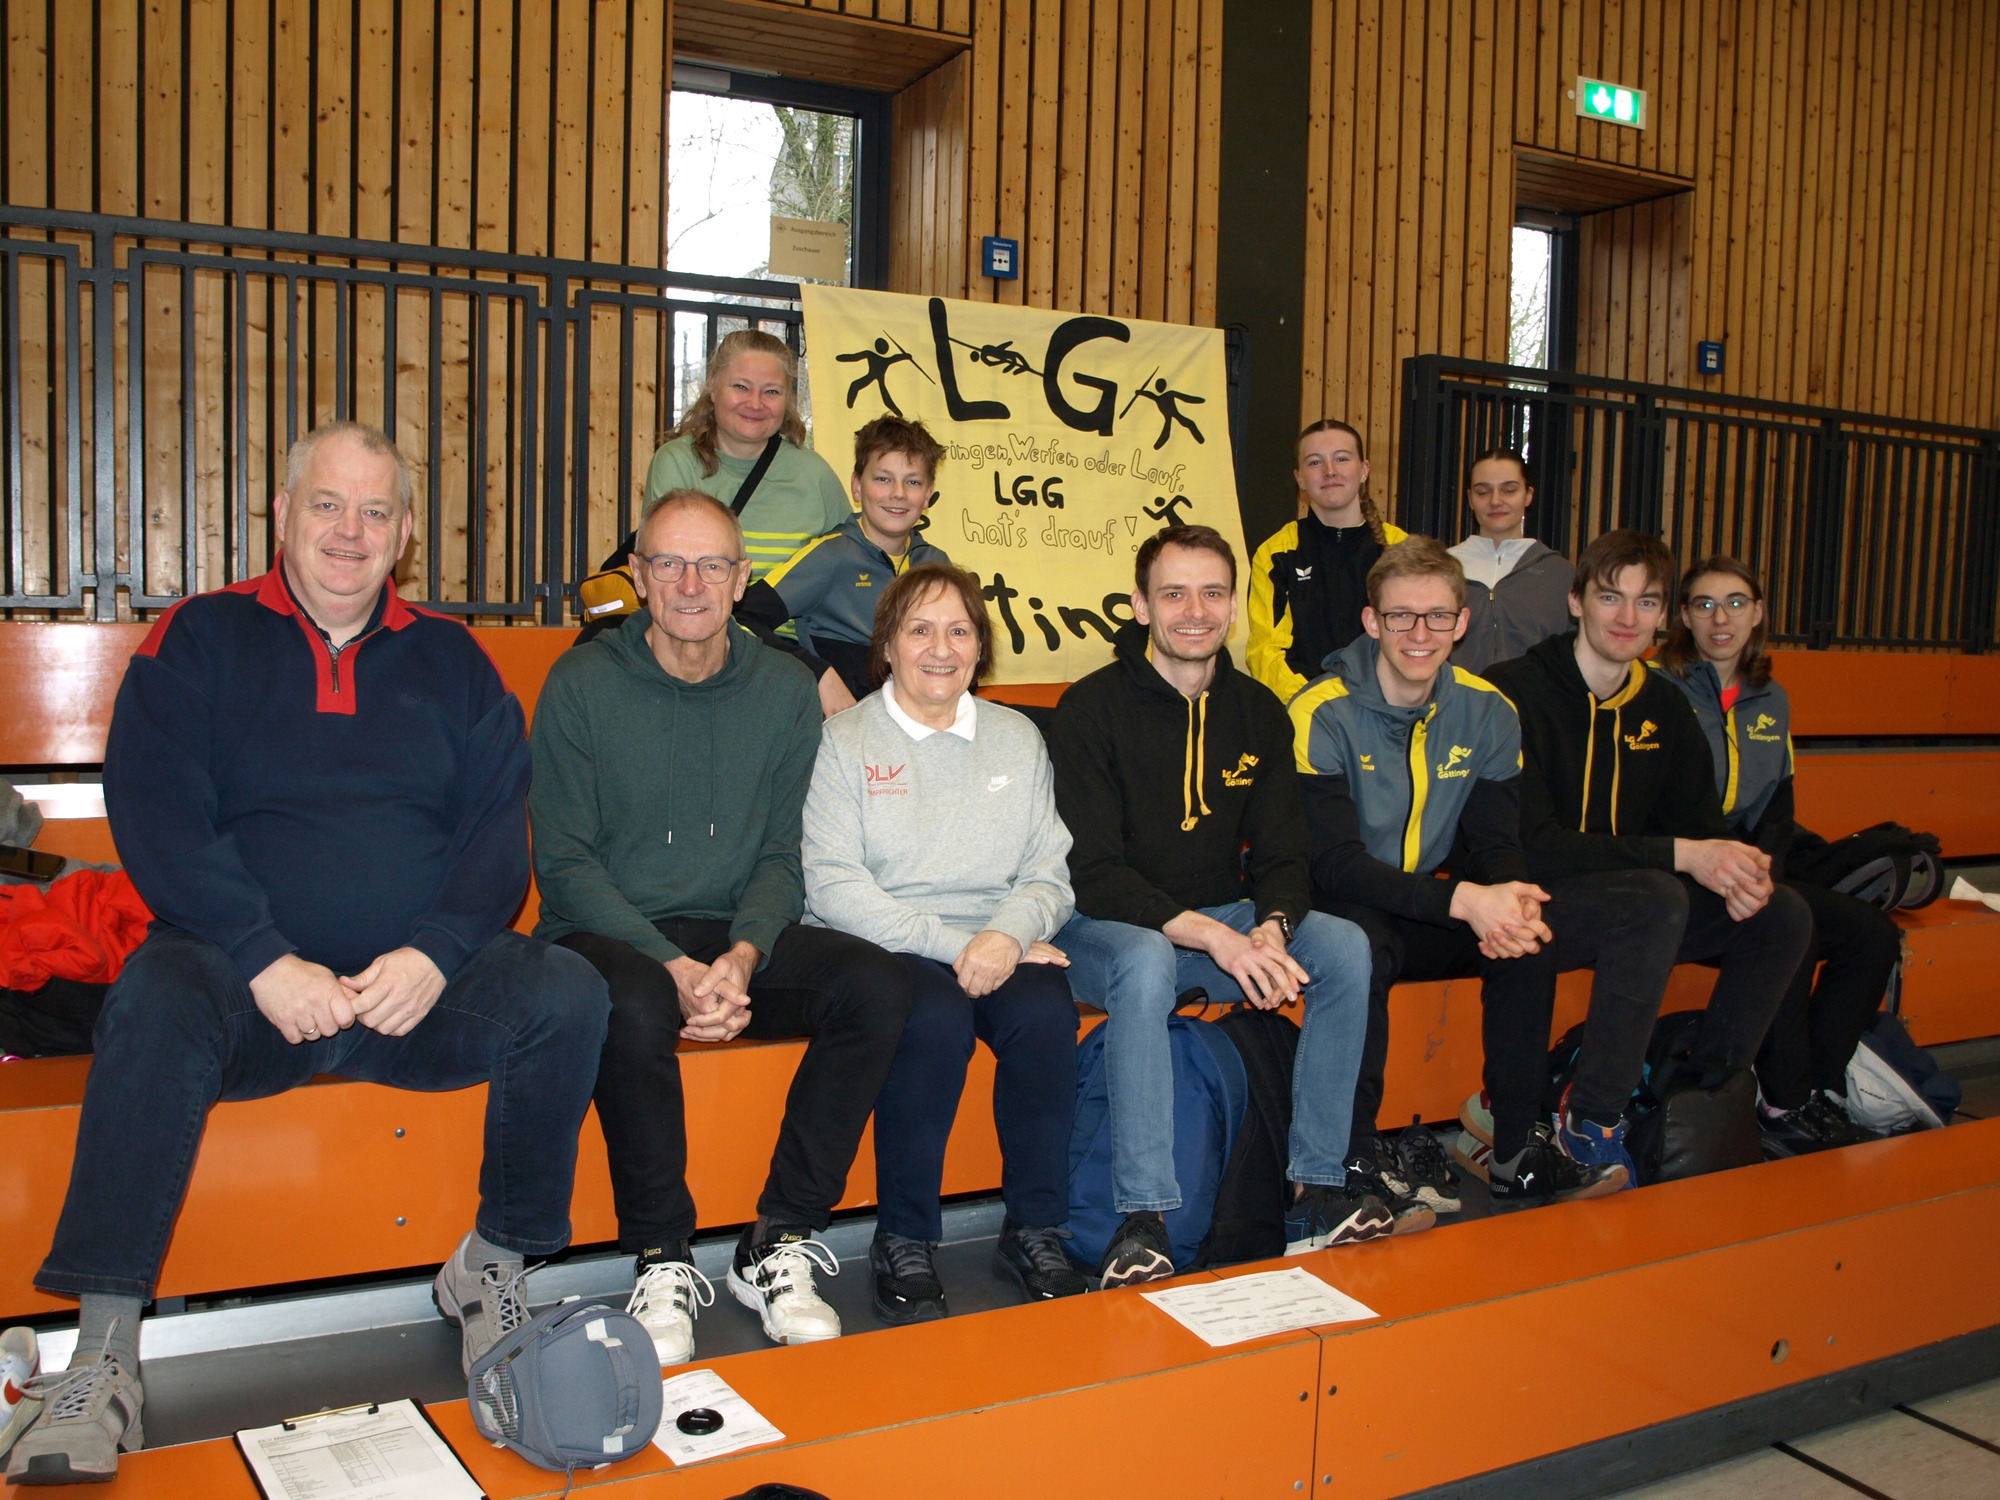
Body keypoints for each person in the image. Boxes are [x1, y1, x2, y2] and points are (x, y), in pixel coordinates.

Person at [11, 423, 610, 1485]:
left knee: (565, 991)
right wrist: (261, 957)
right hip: (245, 993)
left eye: (376, 511)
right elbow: (156, 813)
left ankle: (492, 1266)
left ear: (406, 533)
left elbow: (493, 839)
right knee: (152, 997)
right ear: (282, 514)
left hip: (407, 999)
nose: (350, 531)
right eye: (327, 505)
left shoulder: (453, 661)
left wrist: (434, 954)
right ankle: (103, 1354)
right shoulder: (201, 638)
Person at [529, 489, 912, 1363]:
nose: (691, 584)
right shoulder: (581, 683)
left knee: (878, 986)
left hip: (731, 932)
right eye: (669, 563)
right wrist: (672, 964)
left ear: (742, 580)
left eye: (712, 565)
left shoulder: (782, 688)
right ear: (638, 576)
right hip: (611, 934)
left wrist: (742, 954)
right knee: (631, 1004)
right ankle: (661, 1253)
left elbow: (783, 853)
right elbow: (566, 864)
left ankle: (779, 1237)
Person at [1048, 524, 1381, 1285]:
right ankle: (1143, 1217)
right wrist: (1217, 939)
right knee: (1144, 957)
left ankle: (1315, 1189)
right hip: (1098, 930)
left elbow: (1284, 853)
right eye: (1174, 594)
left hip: (1215, 925)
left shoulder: (1259, 711)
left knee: (1343, 947)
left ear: (1233, 606)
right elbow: (1092, 872)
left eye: (1212, 593)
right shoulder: (1090, 709)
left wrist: (1272, 928)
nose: (1194, 611)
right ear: (1141, 606)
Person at [1292, 537, 1626, 1209]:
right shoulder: (1318, 711)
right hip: (1331, 903)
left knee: (1526, 937)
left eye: (1438, 616)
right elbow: (1335, 865)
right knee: (1363, 943)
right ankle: (1355, 1159)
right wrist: (1465, 902)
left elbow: (1496, 843)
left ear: (1462, 622)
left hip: (1420, 903)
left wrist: (1508, 897)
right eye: (1401, 616)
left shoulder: (1487, 709)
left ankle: (1515, 1148)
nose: (1420, 634)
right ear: (1371, 621)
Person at [802, 563, 1086, 1322]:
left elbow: (1049, 873)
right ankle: (905, 1236)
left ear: (980, 648)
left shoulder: (1017, 737)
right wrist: (961, 944)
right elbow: (833, 887)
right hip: (889, 941)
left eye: (959, 631)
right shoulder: (844, 740)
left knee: (1046, 1016)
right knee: (932, 1020)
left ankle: (1035, 1227)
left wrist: (1008, 935)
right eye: (920, 629)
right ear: (887, 646)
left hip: (1000, 936)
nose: (940, 648)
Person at [1483, 530, 1813, 1181]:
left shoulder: (1664, 705)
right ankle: (1592, 1118)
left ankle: (1694, 1098)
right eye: (1611, 597)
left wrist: (1736, 874)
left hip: (1637, 911)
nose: (1628, 617)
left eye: (1647, 601)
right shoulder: (1514, 691)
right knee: (1655, 896)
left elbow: (1700, 830)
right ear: (1576, 601)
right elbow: (1534, 846)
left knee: (1782, 915)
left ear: (1664, 616)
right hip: (1530, 905)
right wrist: (1684, 855)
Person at [1655, 557, 1889, 1155]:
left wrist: (1763, 876)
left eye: (1735, 603)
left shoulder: (1770, 698)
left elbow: (1778, 811)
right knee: (1790, 926)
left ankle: (1817, 1090)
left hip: (1748, 869)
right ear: (1684, 616)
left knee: (1871, 935)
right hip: (1680, 868)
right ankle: (1784, 1104)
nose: (1721, 619)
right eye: (1704, 605)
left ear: (1758, 612)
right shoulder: (1658, 688)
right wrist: (1734, 878)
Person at [737, 415, 952, 704]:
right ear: (857, 486)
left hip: (923, 714)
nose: (898, 494)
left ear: (927, 495)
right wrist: (818, 673)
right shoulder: (831, 555)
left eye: (912, 482)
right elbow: (743, 616)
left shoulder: (936, 565)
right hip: (850, 719)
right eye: (883, 479)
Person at [642, 329, 852, 583]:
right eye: (741, 387)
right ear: (712, 385)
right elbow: (665, 570)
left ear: (787, 398)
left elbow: (852, 568)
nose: (755, 403)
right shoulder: (677, 463)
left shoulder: (815, 474)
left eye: (771, 391)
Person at [1247, 419, 1410, 703]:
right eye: (1314, 462)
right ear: (1299, 478)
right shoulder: (1276, 554)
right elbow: (1266, 652)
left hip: (1386, 707)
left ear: (1364, 470)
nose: (1330, 471)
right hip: (1304, 708)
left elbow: (1415, 637)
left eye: (1342, 459)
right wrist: (1315, 702)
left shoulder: (1400, 549)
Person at [1447, 448, 1575, 673]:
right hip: (1457, 695)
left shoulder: (1561, 574)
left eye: (1509, 490)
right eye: (1483, 491)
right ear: (1470, 499)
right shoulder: (1441, 569)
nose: (1495, 501)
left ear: (1528, 495)